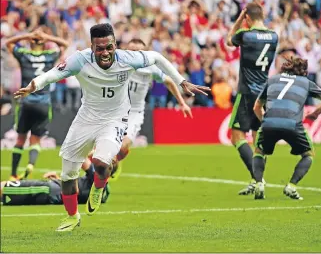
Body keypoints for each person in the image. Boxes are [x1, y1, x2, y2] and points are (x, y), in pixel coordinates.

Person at [14, 23, 210, 232]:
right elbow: (53, 74)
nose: (105, 53)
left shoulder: (128, 58)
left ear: (115, 44)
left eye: (109, 47)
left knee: (100, 161)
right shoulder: (80, 59)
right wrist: (34, 85)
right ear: (92, 47)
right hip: (85, 119)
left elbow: (157, 58)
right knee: (68, 174)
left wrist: (182, 81)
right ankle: (72, 216)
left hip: (115, 119)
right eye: (100, 48)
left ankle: (99, 187)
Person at [91, 38, 193, 180]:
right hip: (115, 110)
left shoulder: (150, 68)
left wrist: (182, 103)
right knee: (104, 149)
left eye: (138, 51)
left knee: (123, 145)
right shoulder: (117, 63)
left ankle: (115, 163)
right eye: (132, 50)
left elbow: (169, 82)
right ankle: (103, 171)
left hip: (135, 112)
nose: (134, 54)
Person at [252, 57, 321, 200]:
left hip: (269, 123)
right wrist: (316, 113)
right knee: (308, 154)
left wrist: (266, 121)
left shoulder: (273, 79)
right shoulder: (306, 82)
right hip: (292, 124)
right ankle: (291, 186)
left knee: (259, 151)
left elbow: (256, 107)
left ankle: (259, 183)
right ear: (303, 71)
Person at [226, 2, 279, 195]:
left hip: (247, 91)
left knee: (236, 136)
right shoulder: (274, 36)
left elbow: (228, 41)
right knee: (259, 140)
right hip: (266, 93)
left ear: (247, 18)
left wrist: (239, 20)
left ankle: (259, 179)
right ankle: (256, 181)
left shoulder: (245, 34)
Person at [5, 28, 69, 181]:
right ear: (43, 43)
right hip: (43, 103)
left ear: (31, 42)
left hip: (26, 102)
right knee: (35, 140)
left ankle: (13, 173)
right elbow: (65, 44)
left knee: (20, 139)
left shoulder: (24, 54)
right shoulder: (49, 55)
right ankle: (31, 165)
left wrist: (27, 35)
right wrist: (47, 37)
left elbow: (8, 43)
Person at [1, 159, 110, 206]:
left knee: (4, 187)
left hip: (50, 190)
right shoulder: (101, 188)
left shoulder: (100, 177)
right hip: (53, 189)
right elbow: (79, 189)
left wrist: (91, 151)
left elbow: (81, 157)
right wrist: (58, 178)